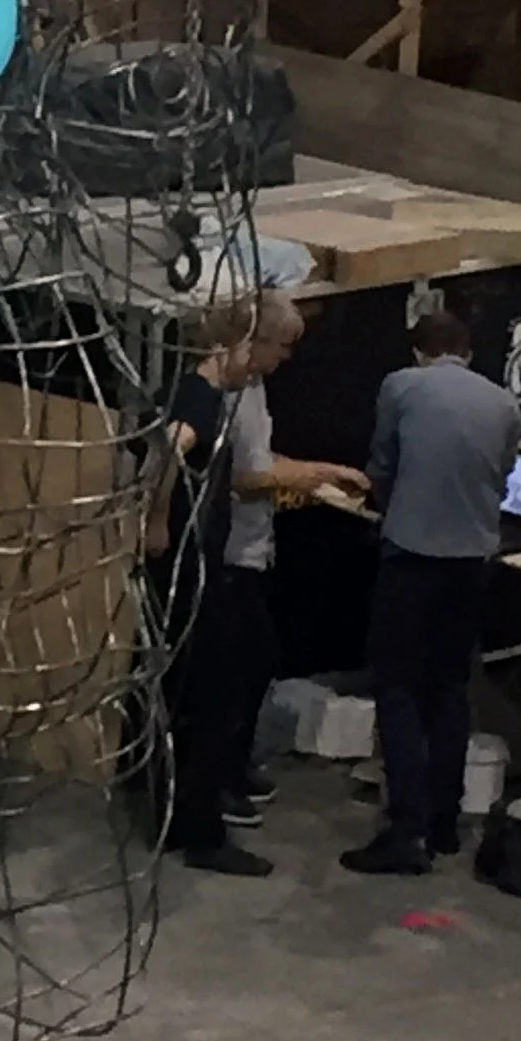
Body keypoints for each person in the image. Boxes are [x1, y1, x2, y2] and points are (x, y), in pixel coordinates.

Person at [343, 310, 521, 876]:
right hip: (472, 563)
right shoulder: (505, 404)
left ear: (419, 352)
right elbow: (501, 476)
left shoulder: (401, 386)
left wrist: (387, 503)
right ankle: (445, 822)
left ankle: (407, 831)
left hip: (413, 555)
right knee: (450, 686)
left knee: (396, 685)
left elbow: (383, 465)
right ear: (467, 352)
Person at [222, 293, 371, 830]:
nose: (286, 358)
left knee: (258, 663)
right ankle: (217, 781)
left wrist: (317, 471)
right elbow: (240, 474)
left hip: (255, 546)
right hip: (230, 552)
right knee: (237, 671)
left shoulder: (256, 389)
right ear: (254, 340)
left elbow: (265, 460)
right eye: (281, 346)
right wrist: (311, 477)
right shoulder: (227, 392)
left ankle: (233, 767)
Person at [146, 297, 266, 876]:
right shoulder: (200, 398)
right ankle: (202, 831)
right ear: (225, 346)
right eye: (249, 349)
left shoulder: (189, 392)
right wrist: (157, 519)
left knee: (182, 695)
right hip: (189, 566)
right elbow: (170, 448)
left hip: (190, 560)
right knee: (214, 698)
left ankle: (173, 818)